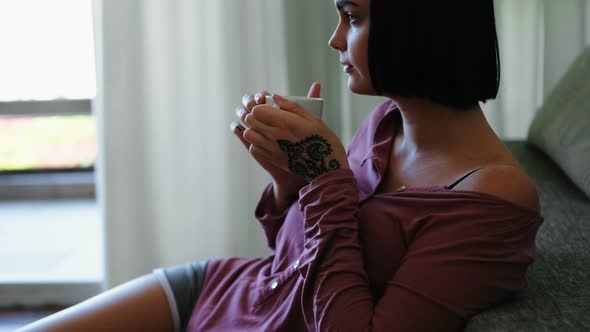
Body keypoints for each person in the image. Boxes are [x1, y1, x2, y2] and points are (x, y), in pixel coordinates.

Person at [19, 0, 543, 331]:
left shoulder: (492, 199)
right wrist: (290, 183)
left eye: (353, 17)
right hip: (228, 291)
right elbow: (293, 256)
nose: (336, 39)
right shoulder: (387, 122)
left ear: (421, 26)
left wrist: (327, 179)